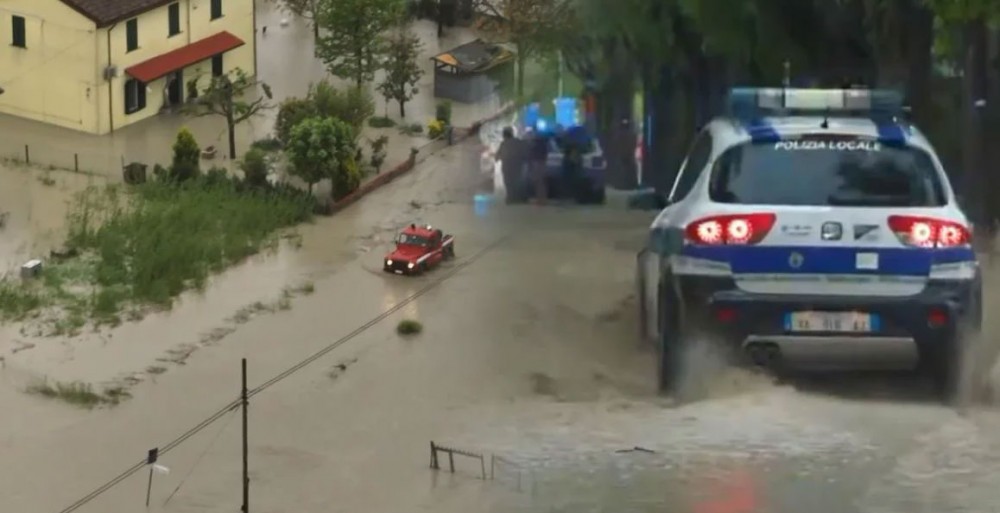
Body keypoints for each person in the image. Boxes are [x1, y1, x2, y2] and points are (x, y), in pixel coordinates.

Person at [495, 127, 525, 204]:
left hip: (507, 165)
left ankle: (510, 197)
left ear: (504, 134)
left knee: (508, 182)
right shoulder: (518, 142)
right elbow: (523, 152)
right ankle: (516, 197)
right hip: (517, 165)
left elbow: (498, 155)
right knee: (516, 181)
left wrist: (497, 158)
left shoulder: (503, 143)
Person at [527, 129, 549, 204]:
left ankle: (541, 199)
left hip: (537, 163)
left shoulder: (535, 144)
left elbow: (531, 155)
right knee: (540, 182)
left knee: (539, 182)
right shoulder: (542, 144)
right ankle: (542, 199)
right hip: (540, 163)